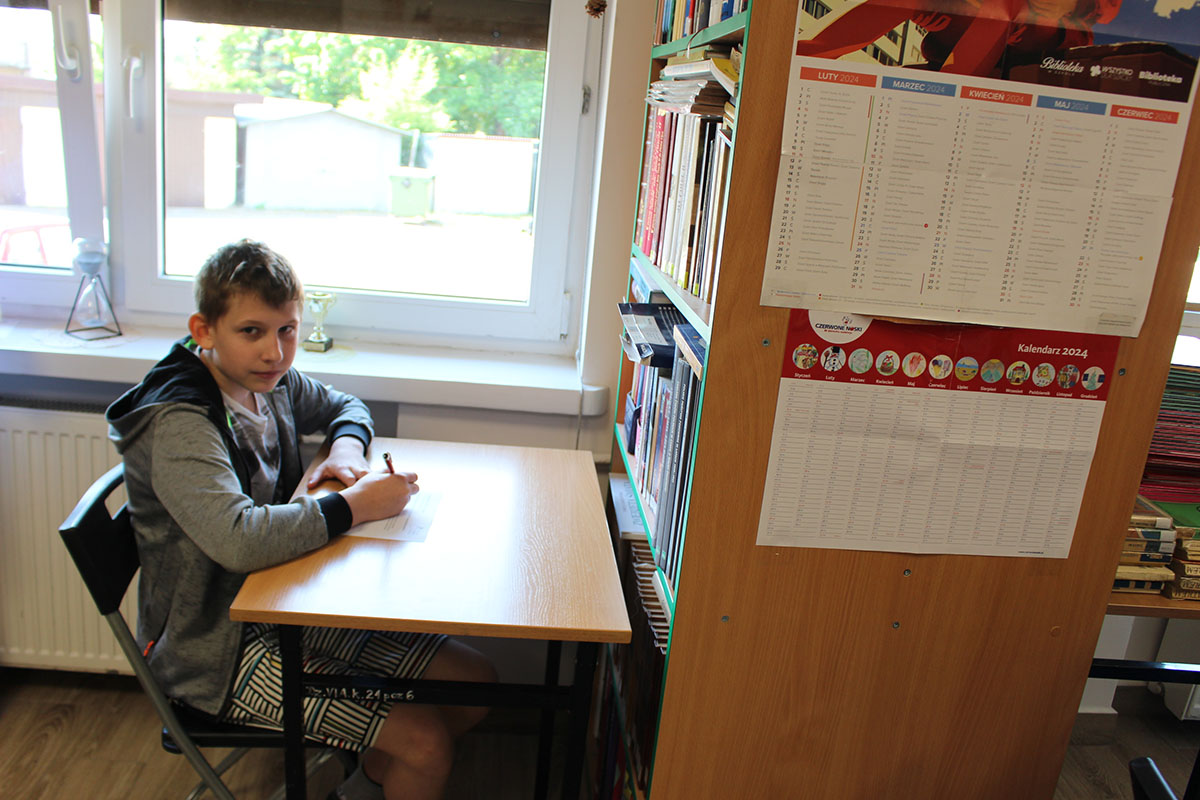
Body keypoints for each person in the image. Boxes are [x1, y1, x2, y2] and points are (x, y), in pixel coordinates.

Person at [106, 239, 495, 800]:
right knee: (427, 743)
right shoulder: (181, 421)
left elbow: (345, 405)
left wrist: (346, 449)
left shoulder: (267, 381)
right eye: (252, 331)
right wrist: (356, 505)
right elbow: (238, 541)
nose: (275, 352)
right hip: (218, 651)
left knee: (476, 683)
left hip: (285, 600)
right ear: (204, 330)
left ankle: (365, 785)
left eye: (287, 330)